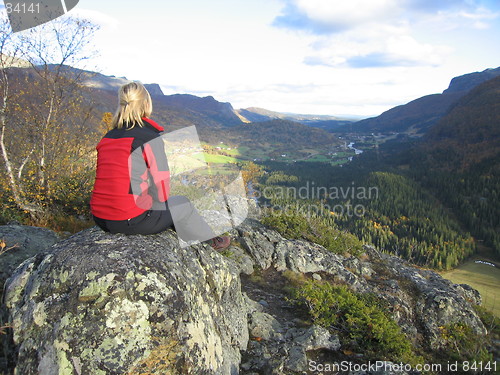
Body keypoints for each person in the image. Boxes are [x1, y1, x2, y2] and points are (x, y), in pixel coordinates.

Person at [90, 82, 230, 250]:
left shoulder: (108, 137)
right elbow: (162, 192)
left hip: (100, 218)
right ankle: (211, 243)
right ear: (146, 104)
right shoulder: (149, 137)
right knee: (182, 203)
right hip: (128, 221)